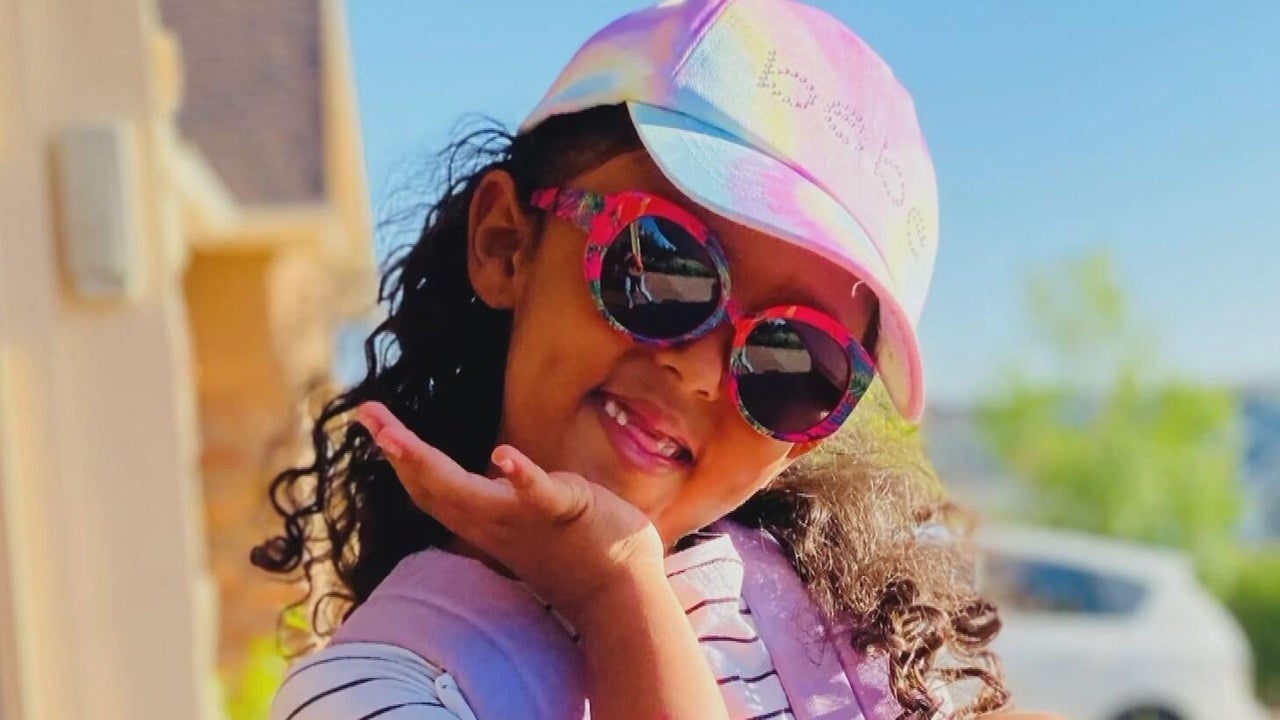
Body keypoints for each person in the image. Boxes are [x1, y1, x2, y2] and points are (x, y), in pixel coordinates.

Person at [254, 1, 1063, 718]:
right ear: (506, 244)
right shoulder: (377, 689)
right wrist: (615, 590)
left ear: (807, 437)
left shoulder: (839, 631)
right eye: (665, 268)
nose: (703, 372)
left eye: (795, 364)